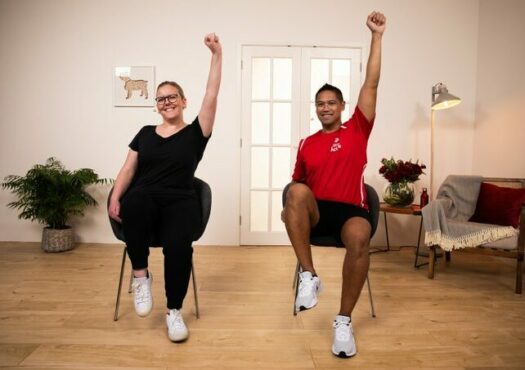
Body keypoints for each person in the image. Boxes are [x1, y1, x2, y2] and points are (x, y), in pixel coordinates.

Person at [282, 12, 386, 358]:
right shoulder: (306, 143)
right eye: (320, 104)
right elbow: (297, 191)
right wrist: (291, 209)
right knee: (294, 191)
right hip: (316, 214)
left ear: (342, 106)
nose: (326, 107)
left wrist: (376, 37)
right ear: (316, 109)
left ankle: (343, 321)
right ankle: (310, 276)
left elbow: (370, 84)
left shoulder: (357, 128)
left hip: (350, 212)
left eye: (331, 103)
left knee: (359, 237)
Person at [108, 33, 221, 342]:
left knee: (177, 247)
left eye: (173, 96)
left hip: (181, 200)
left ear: (183, 102)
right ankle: (141, 276)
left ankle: (174, 311)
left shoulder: (197, 133)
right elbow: (128, 169)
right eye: (161, 98)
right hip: (145, 198)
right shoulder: (144, 133)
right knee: (135, 201)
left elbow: (211, 93)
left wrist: (217, 55)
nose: (167, 101)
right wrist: (115, 198)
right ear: (156, 105)